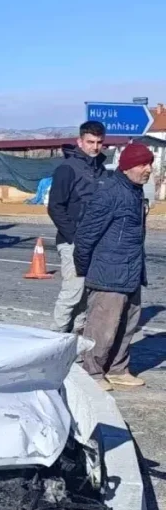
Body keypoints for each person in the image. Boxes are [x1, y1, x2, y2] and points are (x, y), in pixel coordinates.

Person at [73, 142, 154, 390]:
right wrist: (86, 270)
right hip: (109, 273)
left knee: (128, 324)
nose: (148, 169)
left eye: (150, 163)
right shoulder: (110, 192)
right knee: (102, 328)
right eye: (143, 164)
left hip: (131, 271)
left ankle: (117, 368)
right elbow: (86, 236)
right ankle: (92, 371)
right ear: (128, 167)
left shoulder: (135, 191)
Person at [47, 121, 107, 333]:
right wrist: (74, 237)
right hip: (72, 242)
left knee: (85, 295)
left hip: (95, 243)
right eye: (90, 142)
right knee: (72, 292)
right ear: (80, 141)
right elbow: (55, 207)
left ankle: (77, 340)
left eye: (99, 142)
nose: (95, 147)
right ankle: (54, 339)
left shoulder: (101, 170)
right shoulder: (67, 169)